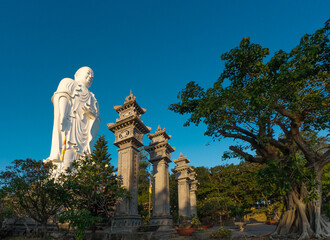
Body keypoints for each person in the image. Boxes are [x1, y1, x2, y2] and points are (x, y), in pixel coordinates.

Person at [46, 67, 100, 173]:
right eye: (88, 74)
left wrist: (91, 115)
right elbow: (62, 96)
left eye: (92, 77)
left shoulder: (93, 97)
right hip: (71, 127)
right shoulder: (68, 82)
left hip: (84, 134)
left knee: (82, 164)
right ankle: (61, 179)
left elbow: (97, 118)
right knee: (67, 158)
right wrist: (62, 115)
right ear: (77, 75)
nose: (90, 77)